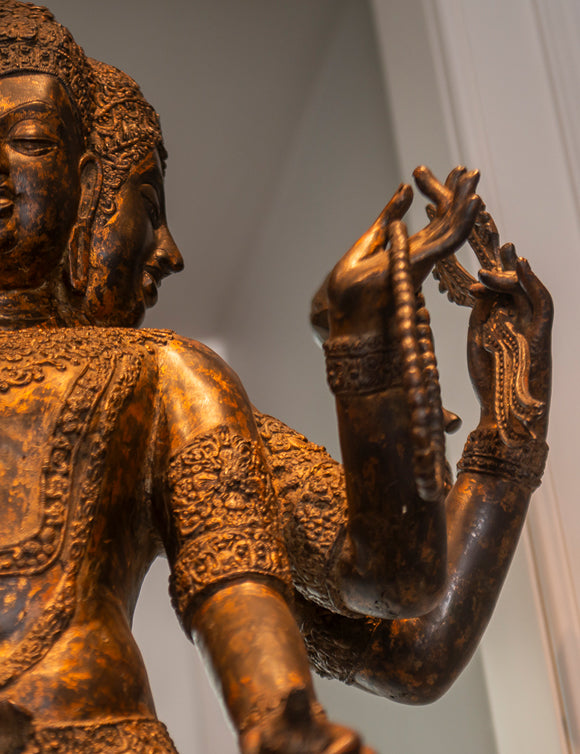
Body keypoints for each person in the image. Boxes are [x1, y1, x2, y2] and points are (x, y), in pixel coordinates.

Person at [0, 3, 552, 754]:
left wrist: (499, 429)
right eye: (147, 209)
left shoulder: (161, 378)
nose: (168, 252)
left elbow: (410, 642)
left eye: (31, 141)